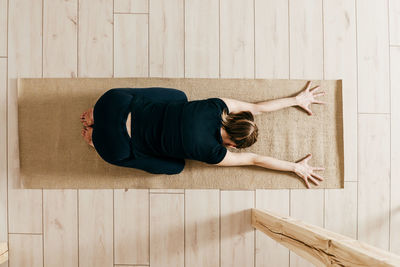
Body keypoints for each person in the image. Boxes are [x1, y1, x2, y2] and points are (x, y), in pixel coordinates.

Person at [80, 81, 325, 189]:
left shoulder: (218, 106)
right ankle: (95, 139)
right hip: (114, 147)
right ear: (232, 144)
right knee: (176, 167)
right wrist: (295, 168)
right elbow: (255, 159)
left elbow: (258, 107)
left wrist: (296, 99)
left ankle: (97, 116)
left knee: (178, 98)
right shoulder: (215, 153)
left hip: (113, 102)